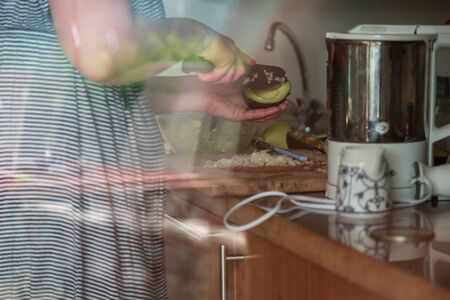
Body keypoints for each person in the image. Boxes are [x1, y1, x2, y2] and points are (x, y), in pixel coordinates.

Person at [0, 0, 288, 299]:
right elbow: (101, 52)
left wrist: (186, 93)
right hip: (53, 214)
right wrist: (201, 40)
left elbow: (64, 75)